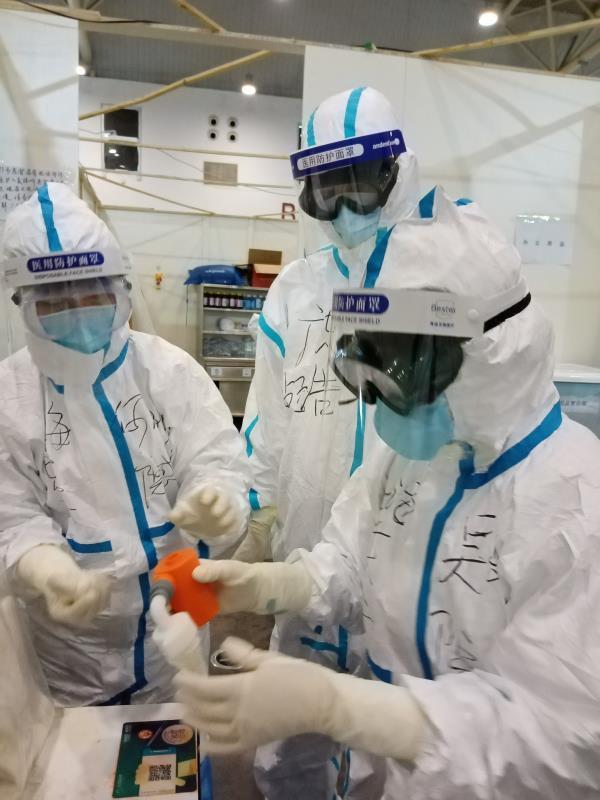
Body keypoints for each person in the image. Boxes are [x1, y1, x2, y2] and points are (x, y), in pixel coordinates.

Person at [174, 186, 600, 799]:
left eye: (400, 368)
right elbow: (349, 563)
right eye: (364, 365)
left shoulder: (575, 503)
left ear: (487, 354)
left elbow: (564, 738)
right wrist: (274, 584)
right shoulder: (411, 456)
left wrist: (349, 708)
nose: (377, 397)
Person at [236, 86, 421, 797]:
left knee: (391, 756)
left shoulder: (440, 281)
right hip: (307, 559)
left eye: (360, 185)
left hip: (401, 577)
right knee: (288, 749)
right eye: (325, 190)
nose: (343, 210)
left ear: (397, 173)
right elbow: (267, 422)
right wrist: (252, 515)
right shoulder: (295, 291)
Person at [0, 183, 249, 707]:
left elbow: (216, 459)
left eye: (92, 294)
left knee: (179, 739)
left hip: (175, 627)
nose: (77, 313)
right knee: (80, 751)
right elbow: (12, 515)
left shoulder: (169, 371)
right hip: (72, 650)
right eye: (55, 302)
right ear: (22, 304)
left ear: (120, 288)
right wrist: (44, 567)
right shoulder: (10, 397)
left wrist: (218, 501)